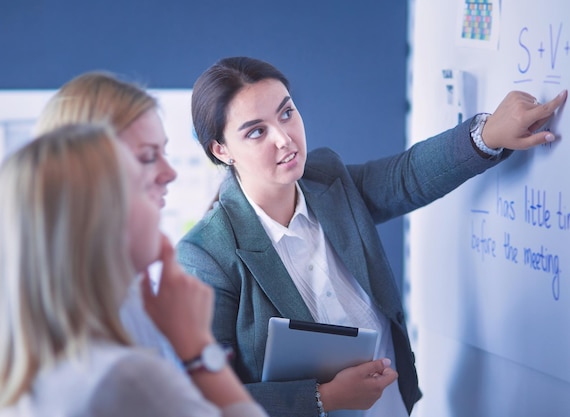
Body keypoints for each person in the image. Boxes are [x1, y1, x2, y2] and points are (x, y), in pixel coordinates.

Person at [176, 56, 568, 416]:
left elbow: (406, 176)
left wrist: (488, 135)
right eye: (256, 132)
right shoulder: (207, 255)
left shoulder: (328, 178)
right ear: (222, 150)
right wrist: (323, 398)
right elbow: (201, 398)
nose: (284, 139)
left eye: (287, 113)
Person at [0, 123, 268, 416]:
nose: (157, 196)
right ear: (105, 222)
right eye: (142, 186)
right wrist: (197, 348)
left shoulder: (28, 375)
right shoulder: (126, 379)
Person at [34, 71, 179, 363]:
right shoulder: (89, 316)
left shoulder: (126, 289)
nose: (170, 173)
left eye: (164, 151)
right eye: (148, 156)